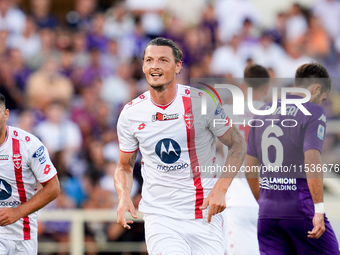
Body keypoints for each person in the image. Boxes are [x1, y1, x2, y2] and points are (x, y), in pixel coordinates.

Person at [114, 37, 246, 254]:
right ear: (143, 66)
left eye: (163, 60)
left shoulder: (202, 102)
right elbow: (124, 166)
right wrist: (123, 196)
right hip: (161, 216)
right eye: (149, 60)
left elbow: (238, 145)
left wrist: (221, 189)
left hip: (205, 214)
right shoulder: (131, 113)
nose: (155, 65)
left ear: (177, 66)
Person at [246, 63, 340, 254]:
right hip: (300, 208)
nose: (320, 103)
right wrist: (319, 209)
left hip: (267, 213)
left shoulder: (263, 111)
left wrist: (264, 201)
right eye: (322, 99)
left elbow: (249, 167)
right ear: (316, 89)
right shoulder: (313, 112)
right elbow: (312, 160)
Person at [0, 93, 60, 254]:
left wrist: (17, 212)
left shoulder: (28, 144)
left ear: (6, 115)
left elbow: (53, 188)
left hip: (24, 235)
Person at [223, 64, 270, 255]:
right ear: (267, 88)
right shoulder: (276, 114)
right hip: (268, 194)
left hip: (237, 193)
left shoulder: (226, 112)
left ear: (243, 86)